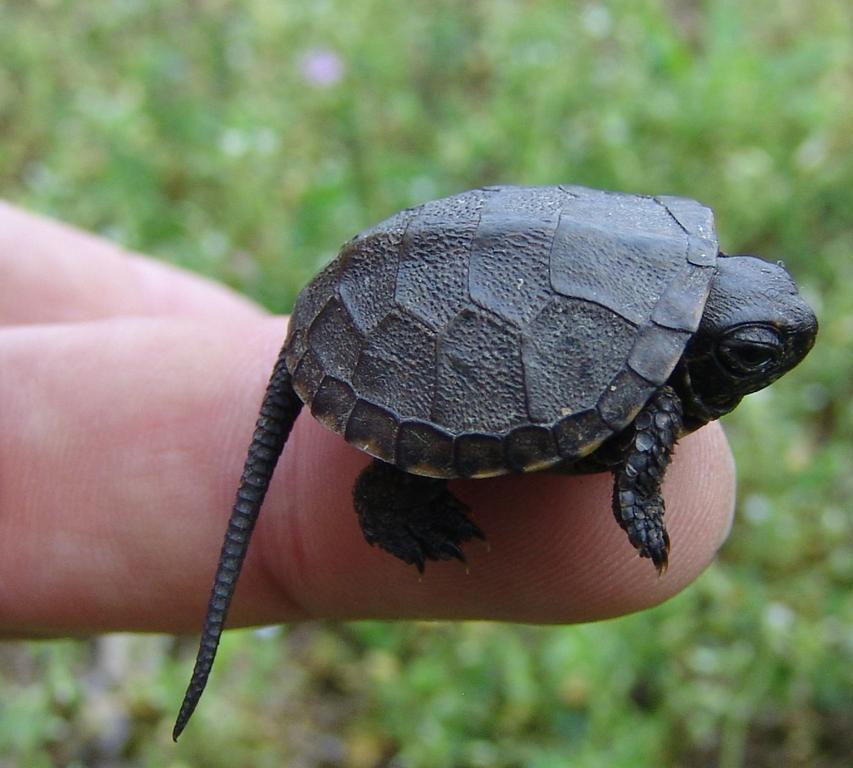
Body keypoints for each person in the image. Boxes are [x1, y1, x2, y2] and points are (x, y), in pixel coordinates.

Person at [0, 201, 736, 637]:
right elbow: (656, 411)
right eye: (753, 352)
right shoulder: (664, 385)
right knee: (404, 479)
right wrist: (637, 498)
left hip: (413, 273)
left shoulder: (666, 268)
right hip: (394, 303)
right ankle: (385, 496)